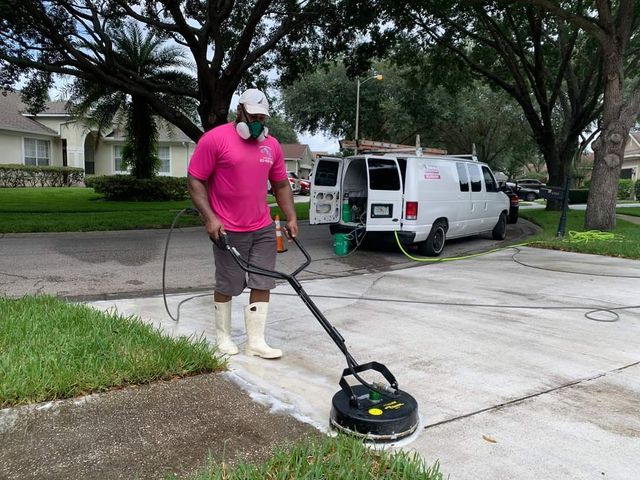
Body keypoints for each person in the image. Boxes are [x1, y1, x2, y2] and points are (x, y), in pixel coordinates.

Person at [187, 88, 298, 359]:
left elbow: (281, 184)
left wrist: (291, 217)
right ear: (240, 111)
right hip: (227, 228)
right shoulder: (214, 140)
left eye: (263, 116)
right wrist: (210, 218)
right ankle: (223, 338)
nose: (259, 121)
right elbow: (194, 180)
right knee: (228, 284)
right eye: (254, 115)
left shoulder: (270, 145)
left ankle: (256, 342)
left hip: (261, 227)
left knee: (262, 282)